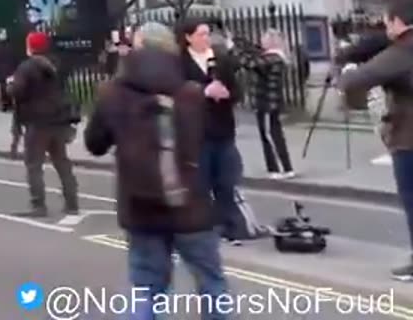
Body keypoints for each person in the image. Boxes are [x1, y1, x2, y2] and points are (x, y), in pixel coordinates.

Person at [84, 21, 230, 320]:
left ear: (136, 48)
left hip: (141, 206)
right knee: (211, 283)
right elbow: (212, 141)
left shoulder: (112, 93)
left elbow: (95, 144)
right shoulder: (191, 93)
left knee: (147, 289)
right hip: (191, 206)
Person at [339, 0, 413, 281]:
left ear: (398, 22)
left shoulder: (404, 49)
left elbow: (359, 80)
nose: (385, 29)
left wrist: (346, 74)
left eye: (387, 23)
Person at [178, 18, 244, 245]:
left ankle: (230, 227)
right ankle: (206, 227)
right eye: (201, 34)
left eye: (208, 34)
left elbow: (237, 91)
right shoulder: (180, 63)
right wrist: (203, 92)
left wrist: (228, 94)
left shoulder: (220, 60)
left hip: (224, 128)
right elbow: (176, 93)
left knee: (226, 181)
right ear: (188, 37)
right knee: (201, 183)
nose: (206, 39)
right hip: (197, 132)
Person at [10, 31, 79, 217]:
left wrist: (11, 85)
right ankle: (72, 203)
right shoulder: (56, 64)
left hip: (37, 122)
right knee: (62, 162)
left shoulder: (27, 68)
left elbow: (18, 92)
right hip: (58, 120)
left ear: (30, 47)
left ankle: (38, 205)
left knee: (34, 165)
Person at [250, 29, 294, 179]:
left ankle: (277, 168)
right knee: (274, 134)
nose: (261, 41)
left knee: (269, 135)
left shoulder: (273, 58)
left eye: (264, 39)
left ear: (271, 41)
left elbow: (252, 64)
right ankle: (285, 167)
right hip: (269, 102)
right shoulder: (275, 57)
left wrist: (233, 49)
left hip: (267, 103)